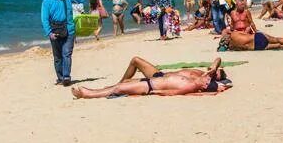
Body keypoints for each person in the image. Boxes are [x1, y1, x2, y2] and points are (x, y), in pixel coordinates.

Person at [71, 56, 232, 99]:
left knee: (121, 88)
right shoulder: (202, 72)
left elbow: (177, 92)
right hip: (160, 76)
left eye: (217, 73)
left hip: (158, 84)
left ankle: (89, 93)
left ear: (217, 78)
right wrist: (215, 65)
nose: (215, 71)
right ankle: (119, 85)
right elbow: (217, 59)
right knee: (135, 60)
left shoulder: (202, 81)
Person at [41, 0, 85, 86]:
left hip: (69, 30)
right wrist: (49, 33)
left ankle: (66, 77)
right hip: (55, 31)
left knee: (66, 54)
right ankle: (60, 77)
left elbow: (81, 0)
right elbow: (44, 18)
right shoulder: (47, 1)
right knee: (58, 57)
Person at [217, 28, 283, 51]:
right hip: (256, 37)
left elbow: (242, 48)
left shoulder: (232, 47)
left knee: (280, 46)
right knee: (277, 39)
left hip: (256, 47)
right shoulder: (234, 33)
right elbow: (246, 33)